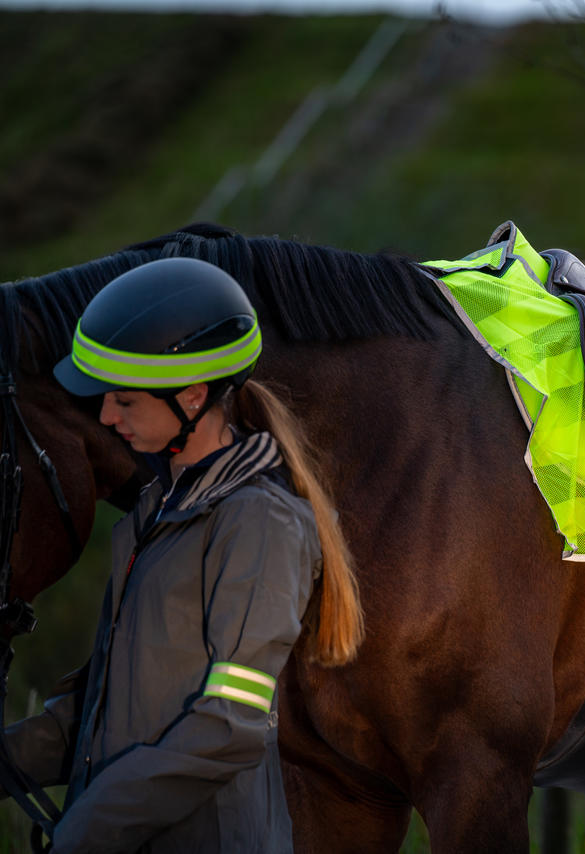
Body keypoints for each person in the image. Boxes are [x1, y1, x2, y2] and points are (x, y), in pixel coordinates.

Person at [4, 257, 364, 853]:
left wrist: (88, 828)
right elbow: (104, 712)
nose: (105, 416)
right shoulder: (154, 513)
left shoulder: (260, 524)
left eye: (124, 400)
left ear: (192, 398)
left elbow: (229, 728)